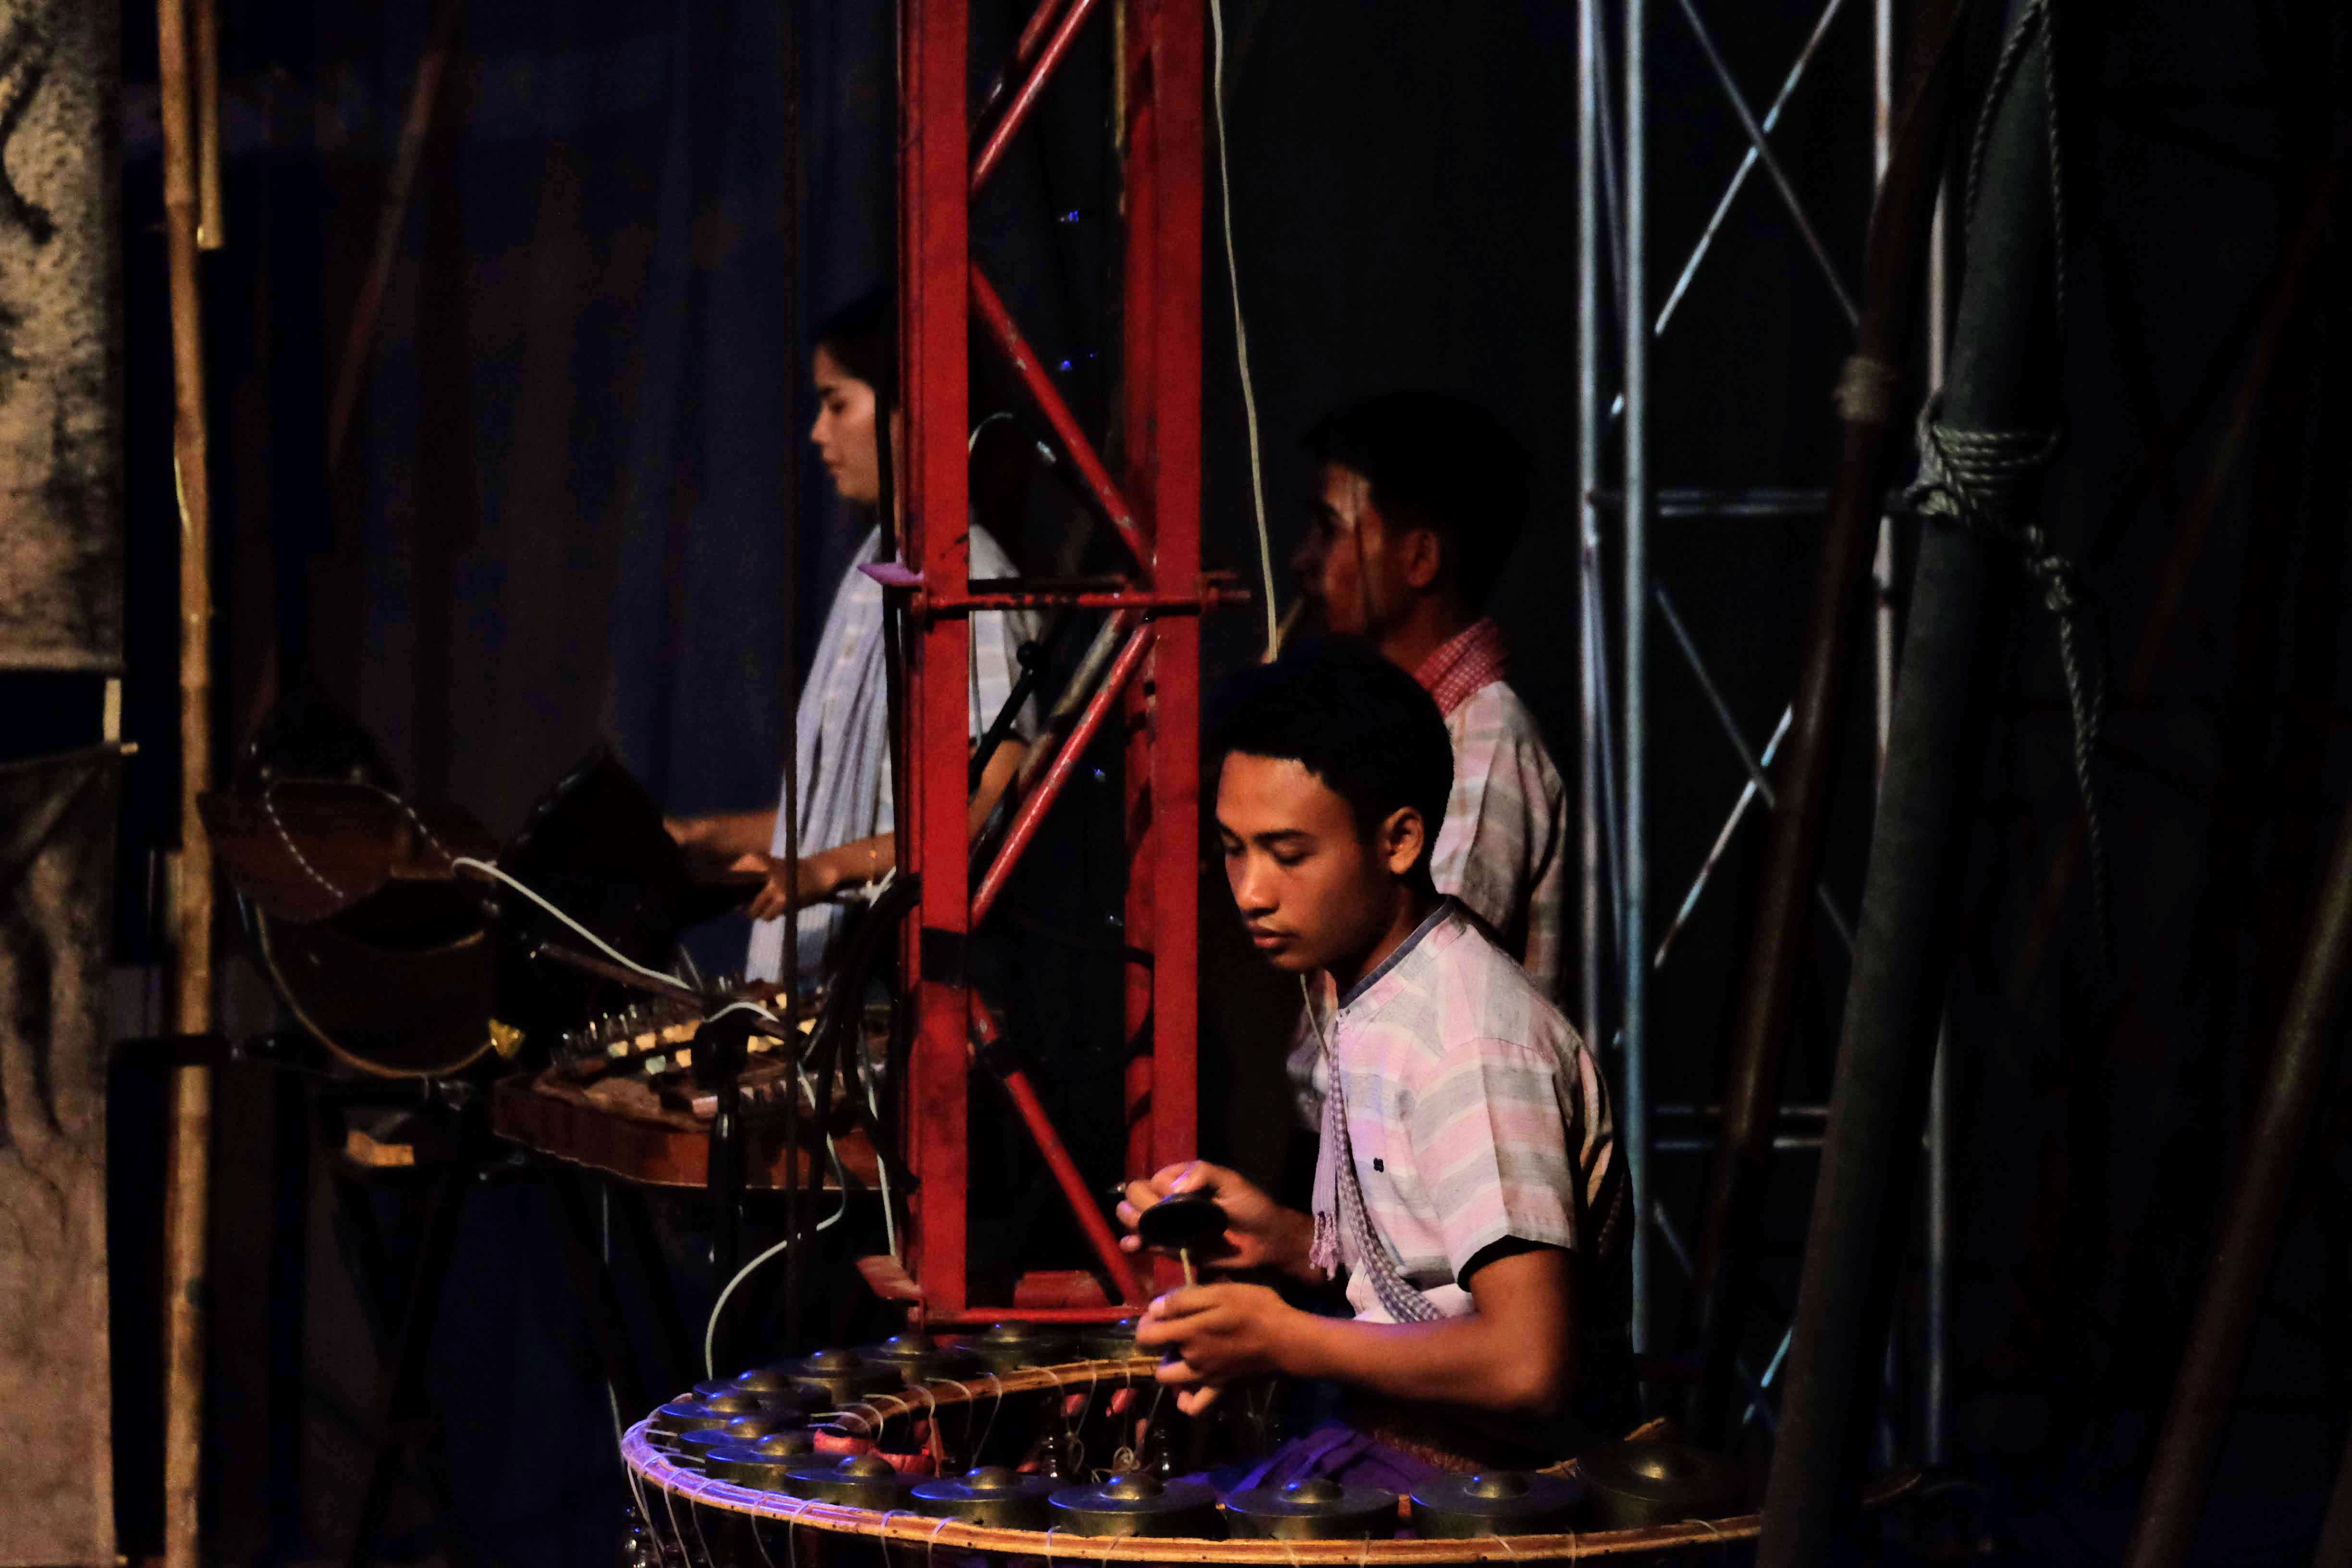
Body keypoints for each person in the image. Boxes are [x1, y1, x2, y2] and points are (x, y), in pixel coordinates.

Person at [1120, 645, 1629, 1484]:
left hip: (1489, 1494)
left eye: (1288, 853)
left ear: (1398, 841)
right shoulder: (1378, 994)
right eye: (1235, 849)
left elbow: (1527, 1362)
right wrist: (1286, 1242)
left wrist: (1284, 1338)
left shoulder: (1469, 1041)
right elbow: (1425, 1269)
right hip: (1403, 1453)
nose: (1250, 891)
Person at [667, 291, 1038, 982]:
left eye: (838, 404)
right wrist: (704, 838)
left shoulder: (971, 578)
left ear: (910, 411)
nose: (818, 433)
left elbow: (996, 801)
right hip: (827, 1000)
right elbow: (840, 820)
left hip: (895, 1012)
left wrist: (826, 870)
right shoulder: (877, 571)